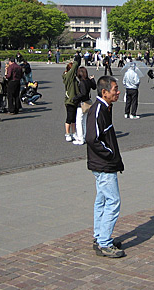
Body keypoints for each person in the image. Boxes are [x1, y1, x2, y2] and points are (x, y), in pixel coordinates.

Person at [86, 75, 125, 258]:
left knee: (102, 200)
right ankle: (104, 242)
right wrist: (110, 154)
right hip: (103, 165)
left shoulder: (105, 108)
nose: (118, 92)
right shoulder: (98, 110)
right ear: (104, 92)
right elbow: (92, 138)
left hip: (104, 163)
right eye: (115, 89)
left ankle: (100, 236)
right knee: (113, 201)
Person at [73, 66, 96, 145]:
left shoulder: (82, 82)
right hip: (88, 102)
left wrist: (75, 98)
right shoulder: (88, 81)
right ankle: (85, 137)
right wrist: (92, 79)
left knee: (79, 121)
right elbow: (94, 87)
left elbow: (83, 94)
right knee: (85, 121)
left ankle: (80, 138)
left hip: (82, 103)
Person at [63, 56, 80, 142]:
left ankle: (74, 132)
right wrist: (76, 62)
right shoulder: (68, 77)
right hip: (70, 100)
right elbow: (73, 69)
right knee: (69, 118)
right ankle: (67, 133)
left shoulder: (72, 78)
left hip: (75, 100)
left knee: (74, 118)